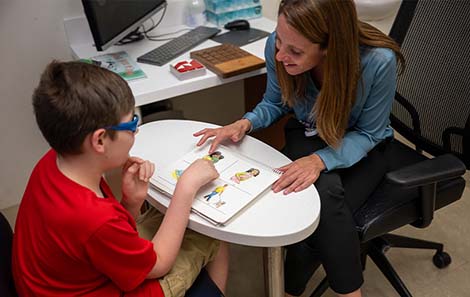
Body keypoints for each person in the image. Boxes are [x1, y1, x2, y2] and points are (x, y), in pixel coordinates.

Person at [193, 0, 404, 296]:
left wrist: (319, 160)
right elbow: (275, 102)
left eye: (295, 51)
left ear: (329, 46)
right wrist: (245, 123)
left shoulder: (378, 62)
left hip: (364, 147)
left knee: (320, 208)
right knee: (318, 202)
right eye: (279, 41)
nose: (280, 55)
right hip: (308, 134)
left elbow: (369, 133)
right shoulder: (278, 46)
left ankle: (295, 290)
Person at [12, 61, 229, 297]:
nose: (136, 131)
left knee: (173, 216)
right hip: (111, 289)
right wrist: (186, 187)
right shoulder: (94, 217)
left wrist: (130, 203)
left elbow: (100, 238)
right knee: (210, 235)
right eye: (132, 123)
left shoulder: (56, 161)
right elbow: (158, 265)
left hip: (60, 281)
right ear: (100, 141)